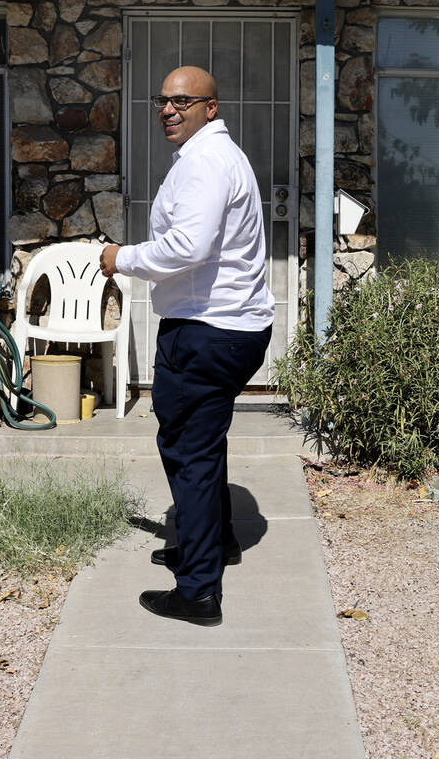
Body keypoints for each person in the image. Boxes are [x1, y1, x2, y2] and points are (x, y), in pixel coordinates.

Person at [99, 66, 274, 627]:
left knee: (189, 454)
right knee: (205, 444)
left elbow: (188, 246)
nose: (169, 110)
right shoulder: (223, 157)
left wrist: (120, 258)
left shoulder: (203, 162)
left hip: (206, 330)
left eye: (183, 101)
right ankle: (212, 542)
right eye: (163, 100)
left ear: (211, 107)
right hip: (232, 328)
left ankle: (198, 592)